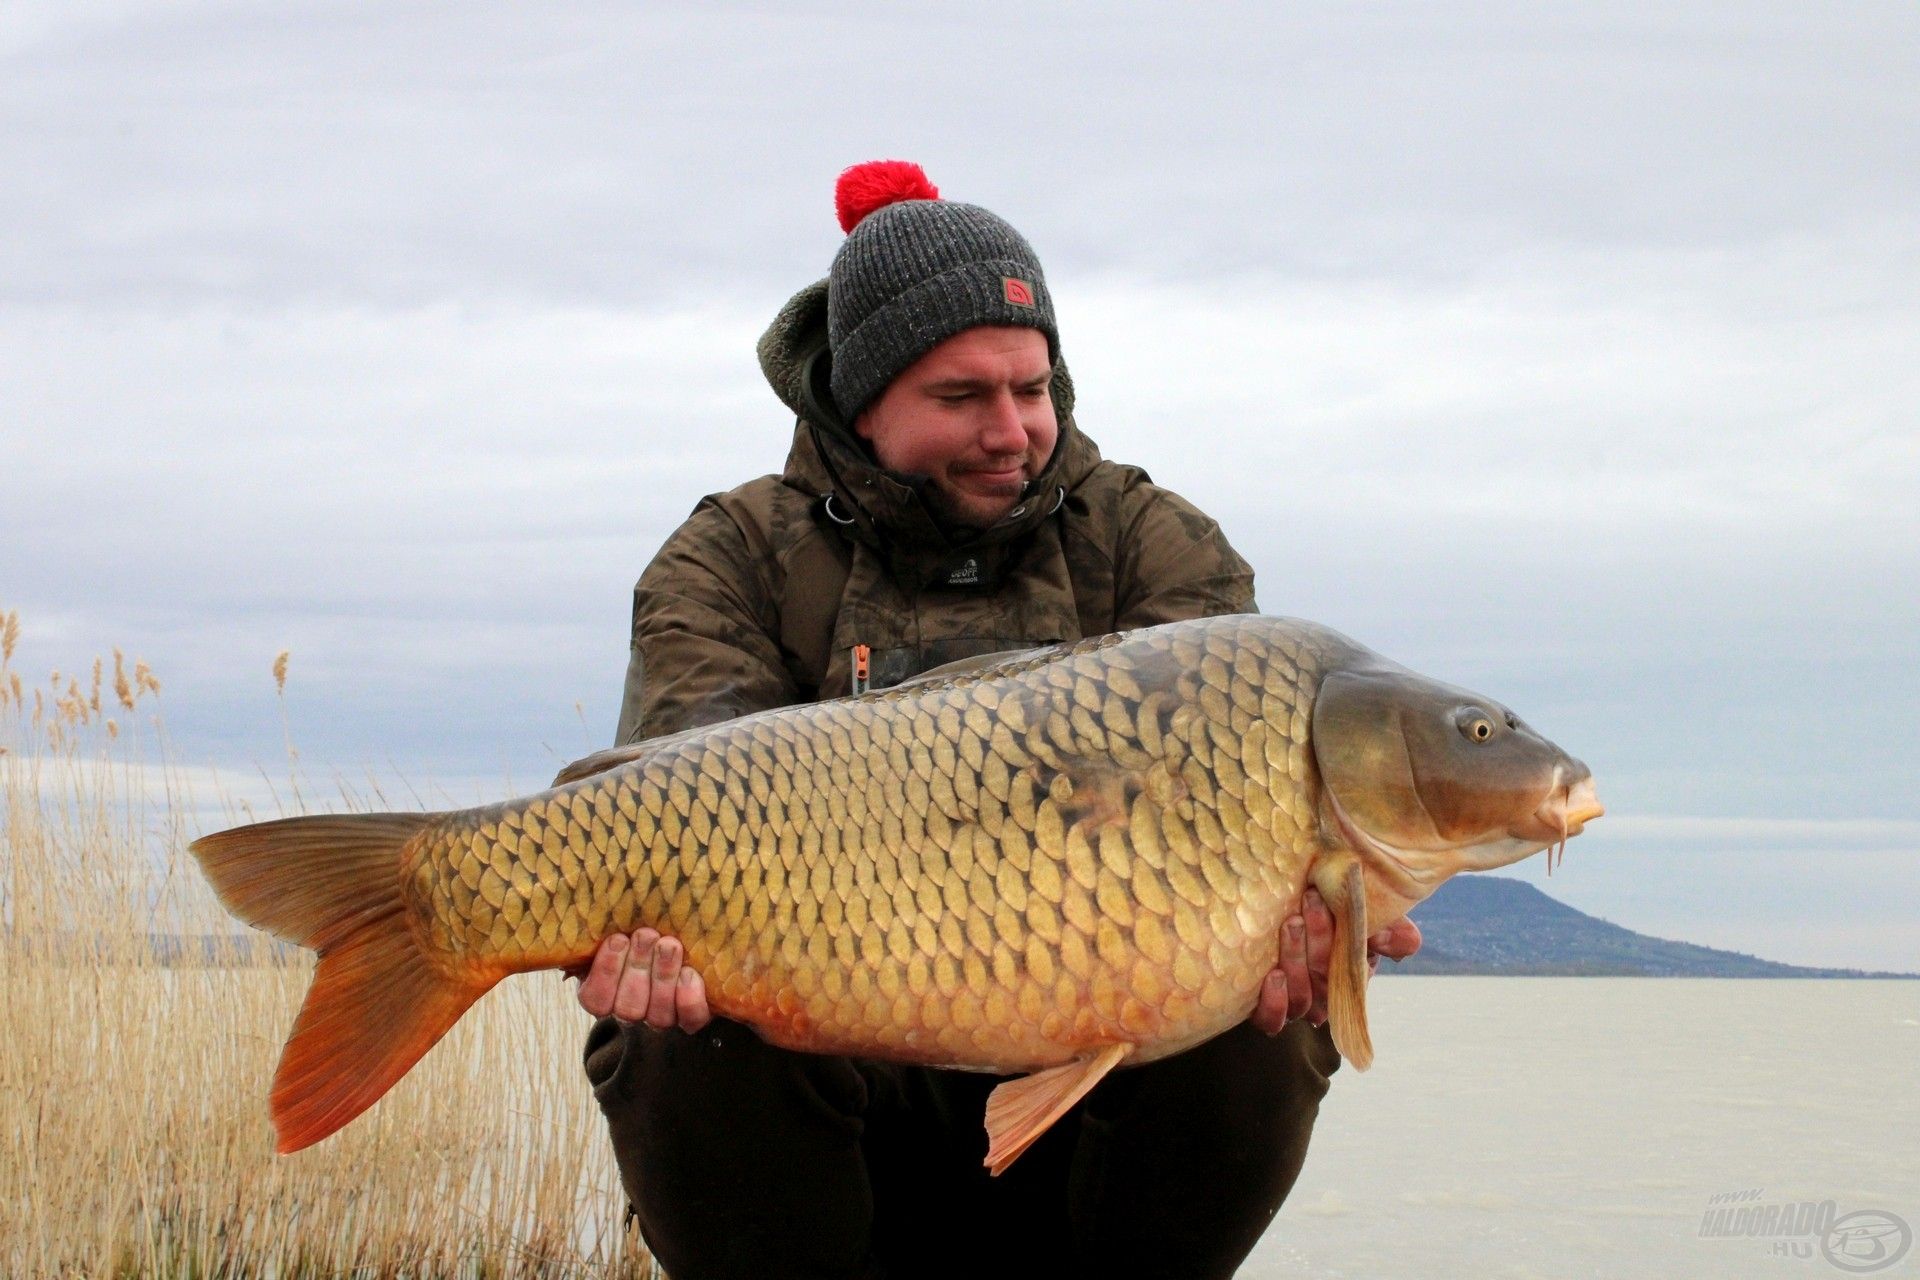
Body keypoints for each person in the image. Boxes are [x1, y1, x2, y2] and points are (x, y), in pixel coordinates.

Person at [568, 160, 1420, 1280]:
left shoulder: (1155, 543)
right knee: (678, 1020)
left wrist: (1309, 923)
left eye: (1033, 388)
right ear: (863, 400)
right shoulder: (727, 557)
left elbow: (1235, 800)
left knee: (1259, 1011)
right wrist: (643, 936)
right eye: (961, 397)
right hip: (829, 1064)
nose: (1012, 429)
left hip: (1097, 1086)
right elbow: (688, 785)